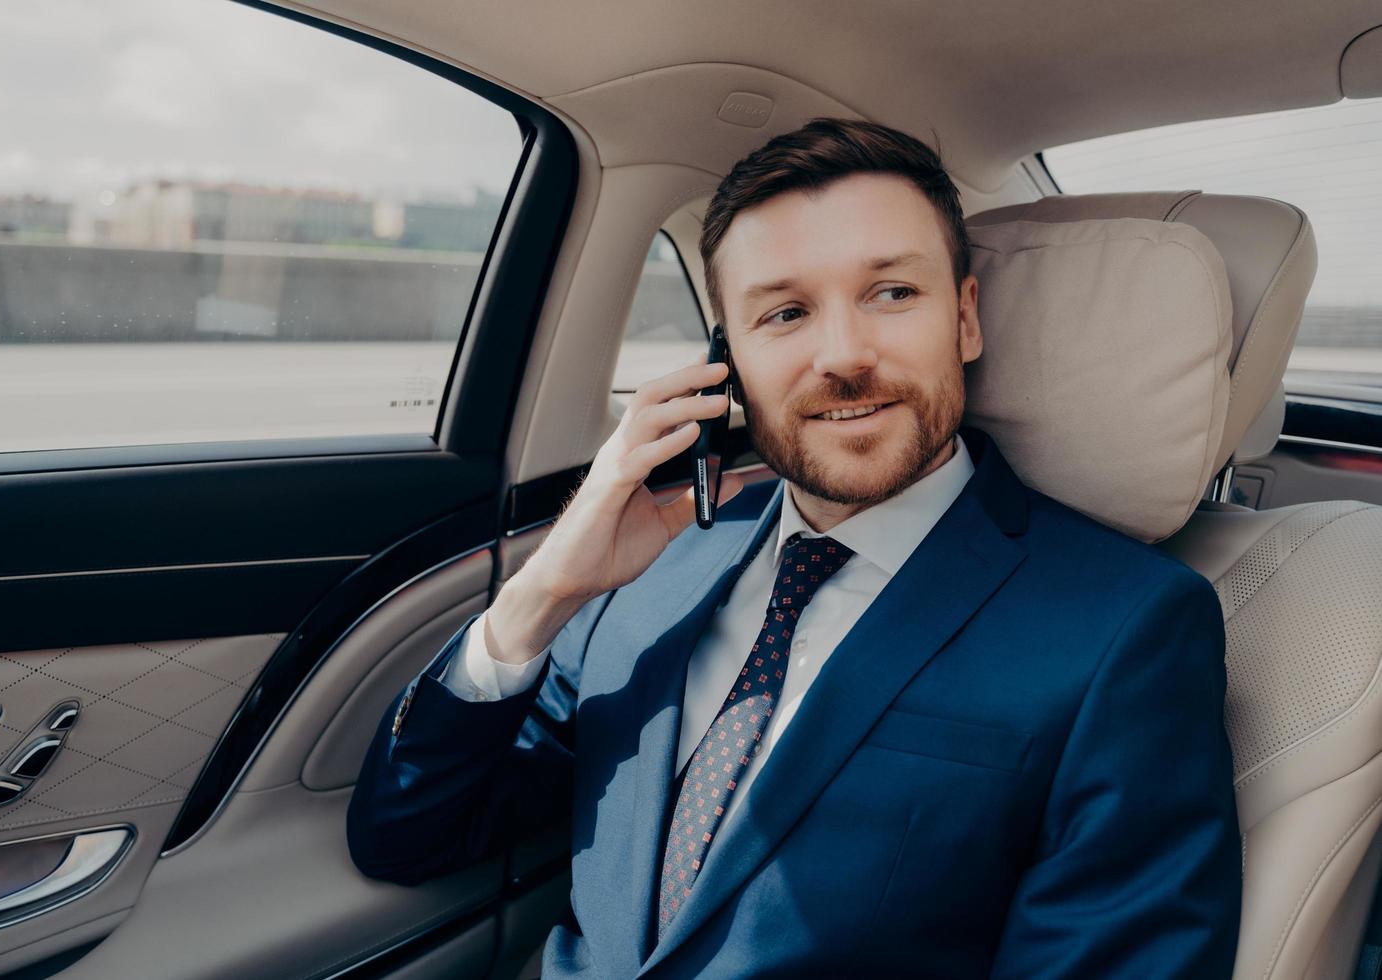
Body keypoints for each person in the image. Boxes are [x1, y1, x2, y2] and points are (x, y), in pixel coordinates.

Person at [347, 118, 1241, 978]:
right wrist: (540, 597)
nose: (844, 356)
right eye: (783, 314)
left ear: (965, 319)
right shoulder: (656, 568)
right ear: (726, 355)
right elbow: (408, 835)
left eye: (893, 293)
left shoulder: (1126, 628)